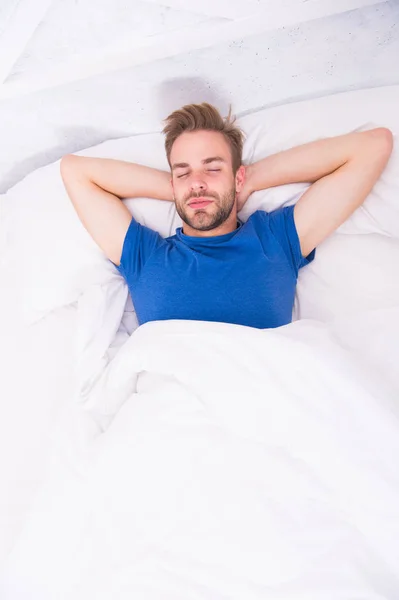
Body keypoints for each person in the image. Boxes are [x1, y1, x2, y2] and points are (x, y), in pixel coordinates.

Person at [60, 103, 393, 329]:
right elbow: (75, 171)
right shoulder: (146, 257)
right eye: (183, 172)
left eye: (212, 167)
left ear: (238, 176)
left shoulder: (275, 241)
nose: (198, 181)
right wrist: (186, 189)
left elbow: (374, 146)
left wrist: (244, 183)